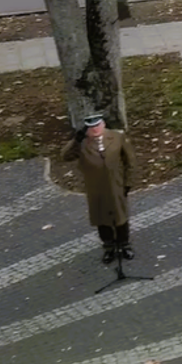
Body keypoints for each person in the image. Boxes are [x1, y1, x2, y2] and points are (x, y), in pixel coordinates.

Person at [63, 113, 136, 264]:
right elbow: (65, 156)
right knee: (102, 220)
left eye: (97, 125)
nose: (95, 129)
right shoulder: (82, 143)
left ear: (103, 124)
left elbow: (130, 161)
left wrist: (128, 182)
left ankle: (124, 245)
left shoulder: (117, 137)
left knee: (120, 218)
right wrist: (76, 141)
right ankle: (109, 247)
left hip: (116, 185)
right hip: (96, 188)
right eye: (91, 127)